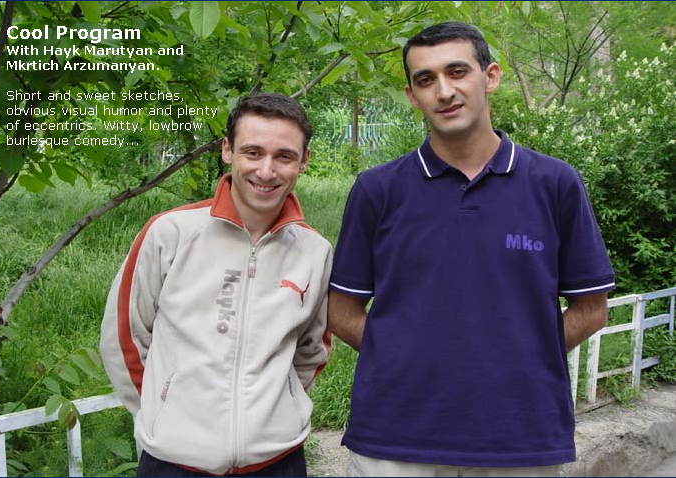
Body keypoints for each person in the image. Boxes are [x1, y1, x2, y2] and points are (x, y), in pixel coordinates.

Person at [328, 22, 615, 477]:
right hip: (394, 439)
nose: (444, 91)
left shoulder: (555, 184)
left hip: (520, 437)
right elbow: (341, 311)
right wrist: (409, 358)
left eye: (457, 71)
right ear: (412, 95)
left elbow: (591, 309)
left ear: (490, 76)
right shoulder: (377, 190)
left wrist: (516, 357)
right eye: (426, 79)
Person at [100, 93, 332, 477]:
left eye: (284, 156)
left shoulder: (314, 251)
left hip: (278, 463)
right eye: (253, 152)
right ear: (227, 150)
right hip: (173, 464)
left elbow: (312, 348)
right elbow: (124, 337)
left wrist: (277, 408)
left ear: (304, 160)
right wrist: (162, 415)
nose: (266, 171)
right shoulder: (170, 233)